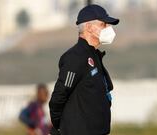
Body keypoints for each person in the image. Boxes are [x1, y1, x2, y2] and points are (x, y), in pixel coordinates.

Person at [49, 4, 119, 135]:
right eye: (104, 25)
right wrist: (62, 127)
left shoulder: (94, 55)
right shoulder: (75, 57)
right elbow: (58, 97)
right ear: (89, 27)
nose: (109, 28)